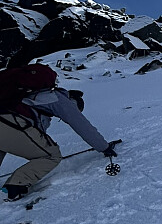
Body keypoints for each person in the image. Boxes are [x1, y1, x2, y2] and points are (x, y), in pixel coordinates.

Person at [0, 64, 118, 202]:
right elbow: (81, 125)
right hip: (12, 123)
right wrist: (104, 147)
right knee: (51, 156)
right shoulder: (57, 98)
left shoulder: (25, 94)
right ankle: (14, 187)